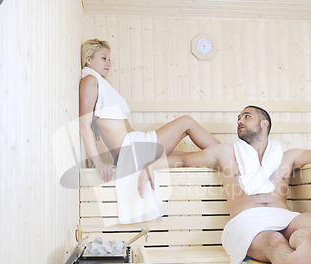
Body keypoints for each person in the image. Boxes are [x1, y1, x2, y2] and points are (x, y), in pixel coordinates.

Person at [139, 105, 311, 264]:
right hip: (247, 222)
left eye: (246, 116)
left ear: (264, 124)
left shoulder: (287, 156)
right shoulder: (225, 153)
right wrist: (150, 165)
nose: (240, 121)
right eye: (238, 119)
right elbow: (184, 160)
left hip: (282, 216)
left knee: (308, 220)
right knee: (274, 241)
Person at [79, 39, 219, 182]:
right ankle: (236, 155)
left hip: (132, 151)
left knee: (194, 157)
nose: (108, 63)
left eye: (109, 59)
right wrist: (98, 163)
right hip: (133, 150)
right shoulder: (90, 81)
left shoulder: (99, 83)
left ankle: (230, 160)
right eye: (103, 58)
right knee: (186, 122)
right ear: (88, 59)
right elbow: (84, 125)